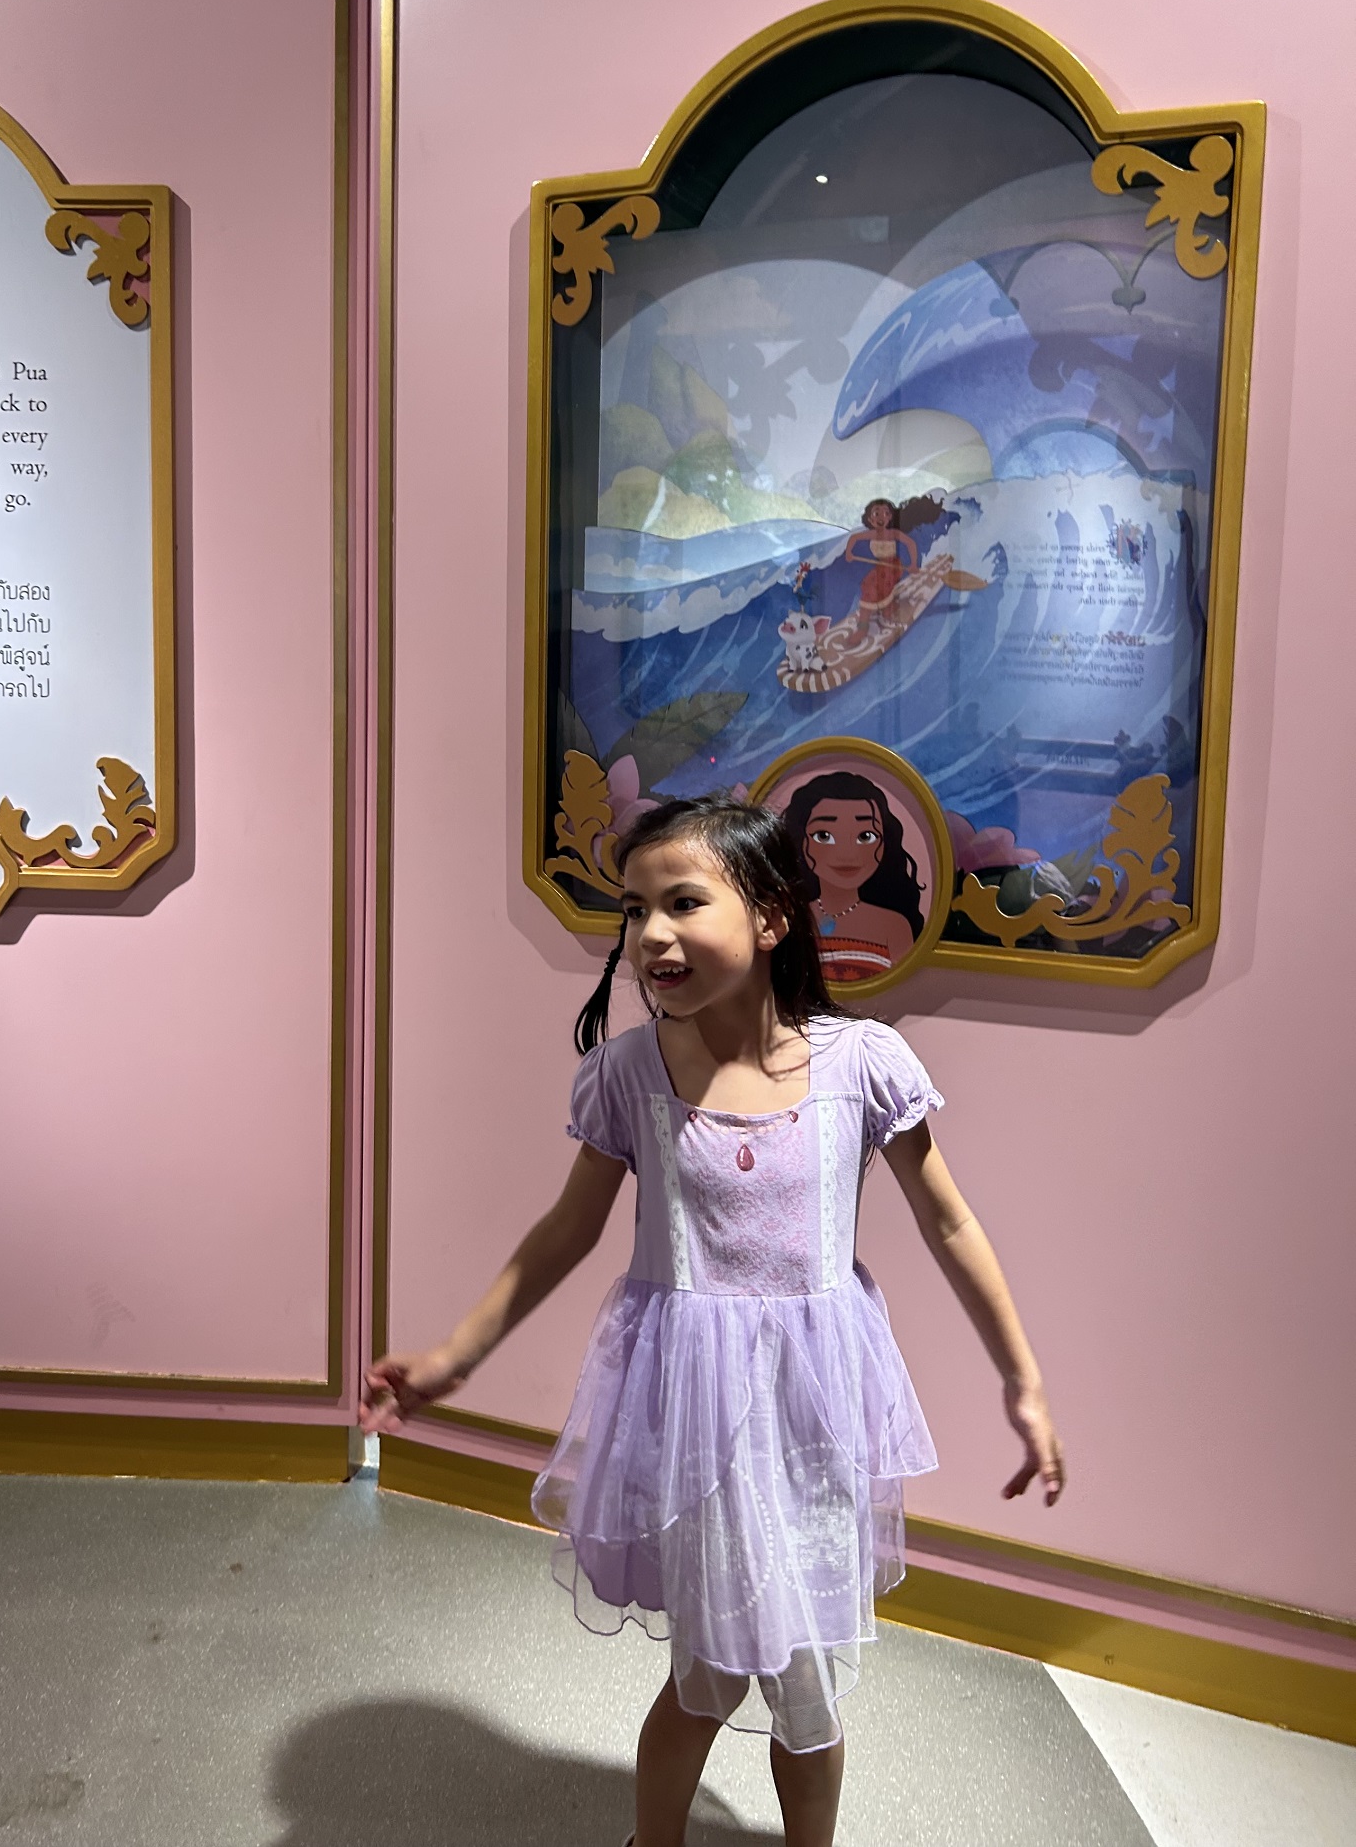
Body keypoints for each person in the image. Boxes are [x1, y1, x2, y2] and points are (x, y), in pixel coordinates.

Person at [361, 794, 1064, 1847]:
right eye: (634, 910)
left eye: (684, 902)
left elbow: (950, 1222)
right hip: (693, 1417)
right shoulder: (628, 1074)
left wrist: (1022, 1380)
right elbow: (565, 1230)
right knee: (710, 1672)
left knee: (807, 1679)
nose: (651, 935)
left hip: (815, 1417)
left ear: (772, 917)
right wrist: (455, 1356)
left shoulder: (861, 1064)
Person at [782, 770, 925, 982]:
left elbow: (904, 989)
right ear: (802, 842)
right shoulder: (788, 918)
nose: (847, 853)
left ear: (884, 844)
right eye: (824, 836)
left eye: (865, 836)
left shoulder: (895, 926)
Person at [842, 496, 920, 611]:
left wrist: (913, 564)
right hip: (880, 566)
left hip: (894, 566)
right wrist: (849, 553)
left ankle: (886, 611)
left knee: (881, 584)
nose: (881, 517)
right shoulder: (871, 534)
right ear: (870, 519)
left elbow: (911, 543)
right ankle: (869, 614)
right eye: (876, 514)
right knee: (867, 584)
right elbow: (854, 538)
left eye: (886, 513)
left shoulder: (893, 533)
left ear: (890, 517)